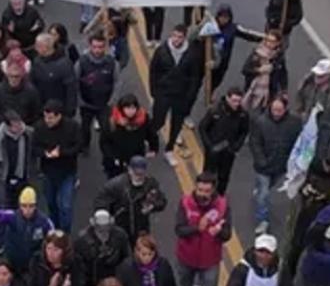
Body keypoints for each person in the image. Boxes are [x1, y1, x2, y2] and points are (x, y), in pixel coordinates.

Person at [284, 147, 330, 276]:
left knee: (318, 248)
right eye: (325, 164)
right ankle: (289, 274)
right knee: (296, 245)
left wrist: (325, 195)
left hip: (325, 218)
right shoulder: (315, 167)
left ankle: (313, 274)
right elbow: (304, 181)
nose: (327, 168)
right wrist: (305, 190)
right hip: (308, 211)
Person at [0, 112, 40, 255]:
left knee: (23, 210)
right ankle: (0, 243)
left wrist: (32, 170)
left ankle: (21, 242)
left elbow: (34, 153)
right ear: (7, 126)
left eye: (19, 123)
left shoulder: (29, 133)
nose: (19, 127)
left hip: (22, 178)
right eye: (14, 125)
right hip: (3, 180)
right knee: (2, 210)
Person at [149, 25, 205, 166]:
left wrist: (190, 95)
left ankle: (169, 150)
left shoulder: (191, 54)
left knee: (176, 125)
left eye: (180, 37)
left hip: (181, 94)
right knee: (158, 120)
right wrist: (154, 91)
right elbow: (153, 71)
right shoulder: (161, 51)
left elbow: (194, 76)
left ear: (184, 37)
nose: (176, 39)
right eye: (174, 36)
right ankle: (150, 142)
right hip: (163, 92)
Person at [248, 95, 302, 233]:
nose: (276, 113)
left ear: (285, 109)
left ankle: (259, 188)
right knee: (264, 195)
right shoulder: (260, 122)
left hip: (281, 166)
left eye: (279, 110)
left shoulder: (295, 122)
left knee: (269, 185)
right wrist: (261, 160)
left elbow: (299, 142)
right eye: (274, 109)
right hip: (264, 166)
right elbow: (255, 142)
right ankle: (263, 220)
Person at [174, 172, 231, 286]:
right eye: (200, 190)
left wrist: (219, 231)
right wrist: (196, 229)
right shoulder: (185, 203)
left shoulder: (222, 205)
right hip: (186, 258)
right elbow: (179, 230)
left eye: (206, 191)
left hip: (210, 260)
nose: (202, 194)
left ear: (213, 190)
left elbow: (227, 235)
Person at [94, 155, 167, 244]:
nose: (139, 177)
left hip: (141, 229)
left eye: (141, 174)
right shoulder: (116, 185)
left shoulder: (151, 183)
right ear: (129, 170)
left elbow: (162, 201)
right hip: (120, 228)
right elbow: (100, 202)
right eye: (136, 173)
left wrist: (153, 206)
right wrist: (107, 218)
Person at [34, 99, 82, 230]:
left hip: (67, 172)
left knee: (65, 205)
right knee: (51, 203)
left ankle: (64, 231)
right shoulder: (40, 127)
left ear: (59, 116)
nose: (47, 120)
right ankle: (54, 227)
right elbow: (34, 147)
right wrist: (45, 153)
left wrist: (61, 153)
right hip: (48, 172)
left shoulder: (72, 127)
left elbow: (78, 146)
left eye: (50, 118)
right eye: (45, 117)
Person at [0, 187, 52, 274]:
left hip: (32, 263)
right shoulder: (13, 216)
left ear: (36, 206)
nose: (27, 210)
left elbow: (52, 238)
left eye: (31, 206)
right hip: (12, 260)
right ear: (20, 205)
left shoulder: (44, 221)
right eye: (24, 206)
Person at [197, 87, 250, 196]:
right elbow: (202, 128)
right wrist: (209, 146)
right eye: (234, 100)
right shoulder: (215, 111)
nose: (236, 104)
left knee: (224, 176)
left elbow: (244, 132)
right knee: (208, 175)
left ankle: (220, 195)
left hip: (229, 151)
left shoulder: (243, 115)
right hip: (213, 150)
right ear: (227, 98)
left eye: (239, 101)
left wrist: (236, 146)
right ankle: (205, 194)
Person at [226, 234, 292, 286]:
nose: (264, 256)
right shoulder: (244, 267)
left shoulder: (281, 268)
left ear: (274, 253)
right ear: (254, 251)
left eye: (268, 252)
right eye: (260, 251)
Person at [99, 96, 159, 180]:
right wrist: (112, 157)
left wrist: (154, 149)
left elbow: (151, 134)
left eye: (133, 108)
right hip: (116, 159)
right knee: (114, 181)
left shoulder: (143, 119)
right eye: (127, 108)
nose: (130, 111)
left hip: (135, 157)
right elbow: (104, 141)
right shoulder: (112, 120)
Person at [74, 209, 130, 286]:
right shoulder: (82, 241)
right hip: (91, 285)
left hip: (115, 281)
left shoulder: (120, 236)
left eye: (106, 227)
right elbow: (78, 268)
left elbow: (127, 260)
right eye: (100, 228)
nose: (104, 231)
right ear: (93, 224)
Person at [76, 33, 116, 149]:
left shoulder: (112, 62)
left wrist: (112, 100)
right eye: (95, 47)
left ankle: (105, 148)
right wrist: (79, 100)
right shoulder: (81, 62)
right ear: (90, 46)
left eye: (100, 47)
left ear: (105, 47)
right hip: (86, 103)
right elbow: (76, 81)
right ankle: (85, 145)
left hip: (104, 104)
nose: (97, 50)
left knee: (106, 129)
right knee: (85, 128)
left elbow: (117, 82)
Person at [240, 30, 287, 113]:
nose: (269, 43)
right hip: (252, 88)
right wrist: (258, 71)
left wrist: (284, 90)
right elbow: (245, 70)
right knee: (246, 111)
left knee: (260, 114)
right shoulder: (256, 54)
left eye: (272, 41)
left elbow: (283, 74)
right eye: (268, 40)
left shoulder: (279, 57)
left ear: (278, 43)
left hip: (268, 91)